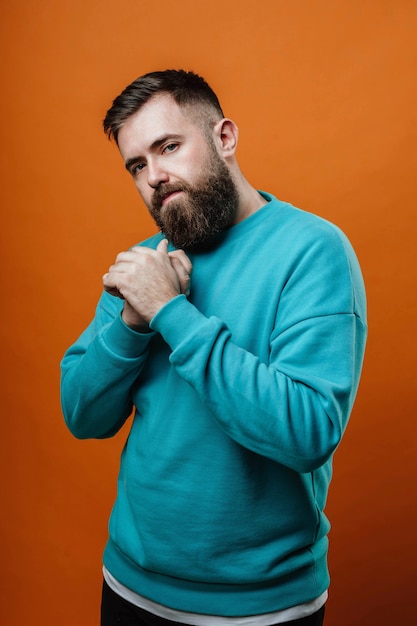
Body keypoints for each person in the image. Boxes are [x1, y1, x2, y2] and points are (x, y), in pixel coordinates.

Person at [60, 69, 367, 626]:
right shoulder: (146, 263)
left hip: (261, 607)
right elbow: (82, 414)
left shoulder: (313, 251)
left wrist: (171, 314)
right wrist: (133, 319)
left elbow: (307, 432)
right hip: (131, 587)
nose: (154, 176)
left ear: (224, 138)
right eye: (137, 165)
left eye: (169, 146)